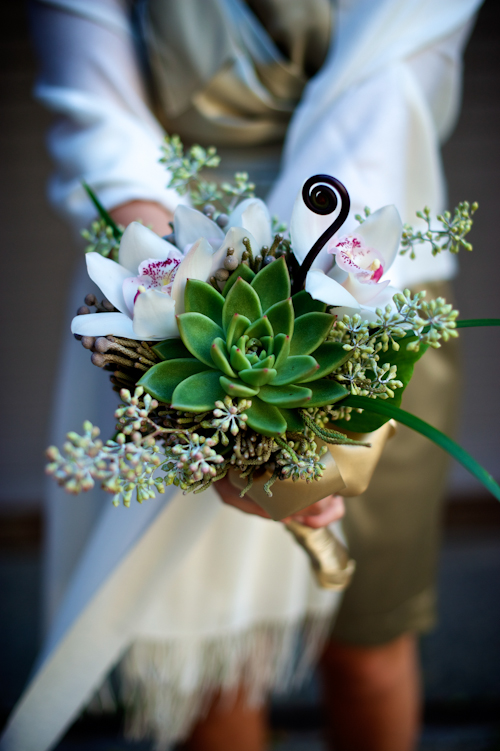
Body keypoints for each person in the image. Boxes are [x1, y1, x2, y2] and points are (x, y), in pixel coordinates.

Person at [0, 1, 480, 750]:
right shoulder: (169, 295)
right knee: (216, 672)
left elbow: (381, 94)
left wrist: (293, 335)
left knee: (371, 642)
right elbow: (98, 111)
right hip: (167, 280)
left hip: (367, 280)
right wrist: (182, 320)